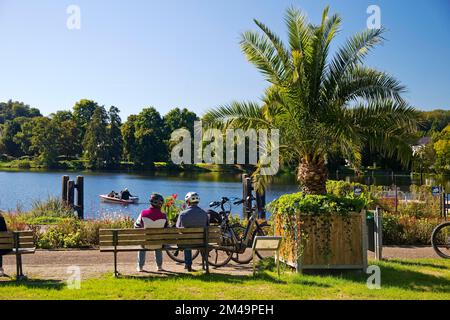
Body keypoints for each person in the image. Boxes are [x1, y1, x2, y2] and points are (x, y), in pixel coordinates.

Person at [176, 192, 209, 272]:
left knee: (186, 240)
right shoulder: (204, 214)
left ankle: (188, 265)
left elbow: (178, 227)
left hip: (187, 242)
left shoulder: (182, 214)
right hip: (202, 242)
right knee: (199, 238)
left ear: (188, 202)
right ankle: (205, 265)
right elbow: (207, 226)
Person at [134, 193, 168, 272]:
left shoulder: (143, 213)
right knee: (159, 241)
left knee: (142, 243)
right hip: (159, 243)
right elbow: (167, 228)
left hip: (145, 243)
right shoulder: (164, 216)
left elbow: (136, 226)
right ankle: (159, 266)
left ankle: (140, 267)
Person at [0, 213, 11, 277]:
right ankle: (0, 268)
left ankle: (0, 268)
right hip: (5, 247)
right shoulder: (2, 219)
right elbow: (5, 231)